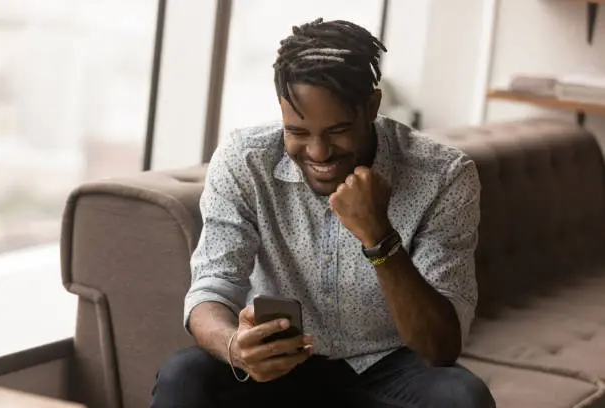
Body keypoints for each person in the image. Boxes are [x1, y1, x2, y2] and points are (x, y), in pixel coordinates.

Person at [150, 18, 496, 408]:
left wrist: (379, 238)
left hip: (390, 366)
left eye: (337, 130)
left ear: (372, 106)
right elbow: (212, 288)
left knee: (462, 397)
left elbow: (440, 349)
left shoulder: (442, 175)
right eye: (297, 132)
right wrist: (235, 346)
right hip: (282, 365)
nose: (317, 152)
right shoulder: (245, 161)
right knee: (185, 374)